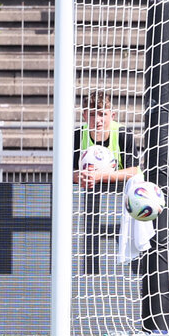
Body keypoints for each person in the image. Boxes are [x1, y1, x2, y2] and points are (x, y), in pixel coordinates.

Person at [71, 92, 141, 274]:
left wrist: (101, 176)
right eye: (93, 114)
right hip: (89, 199)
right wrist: (80, 177)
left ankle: (137, 261)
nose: (98, 119)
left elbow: (134, 170)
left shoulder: (123, 134)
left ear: (112, 115)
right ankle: (89, 270)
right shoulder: (78, 136)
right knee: (88, 236)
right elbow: (68, 172)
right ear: (84, 115)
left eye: (102, 114)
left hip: (122, 200)